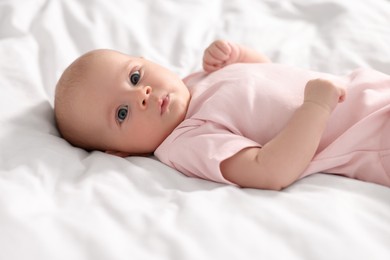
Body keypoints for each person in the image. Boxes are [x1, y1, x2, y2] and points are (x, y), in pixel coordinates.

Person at [54, 40, 390, 190]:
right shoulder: (186, 142)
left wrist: (241, 56)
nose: (141, 95)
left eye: (135, 77)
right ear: (119, 151)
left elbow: (271, 82)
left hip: (372, 91)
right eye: (122, 113)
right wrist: (316, 108)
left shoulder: (193, 82)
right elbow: (270, 170)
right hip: (372, 136)